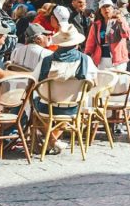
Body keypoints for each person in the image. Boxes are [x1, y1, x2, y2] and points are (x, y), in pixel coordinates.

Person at [33, 25, 96, 155]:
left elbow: (34, 81)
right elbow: (94, 82)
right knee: (65, 111)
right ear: (77, 44)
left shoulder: (47, 60)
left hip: (47, 107)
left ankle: (49, 141)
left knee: (32, 104)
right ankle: (52, 141)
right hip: (74, 107)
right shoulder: (86, 60)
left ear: (59, 44)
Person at [84, 0, 130, 70]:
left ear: (112, 8)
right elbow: (90, 43)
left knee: (119, 81)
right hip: (101, 59)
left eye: (108, 6)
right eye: (103, 7)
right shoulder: (96, 25)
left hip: (118, 60)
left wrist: (121, 23)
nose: (106, 9)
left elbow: (126, 35)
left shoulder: (120, 21)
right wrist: (87, 55)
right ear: (100, 11)